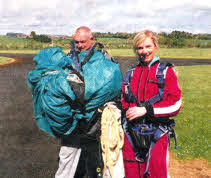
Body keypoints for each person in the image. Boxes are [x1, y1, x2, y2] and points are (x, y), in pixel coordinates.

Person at [27, 26, 123, 178]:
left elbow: (110, 85)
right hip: (74, 122)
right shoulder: (70, 58)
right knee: (66, 159)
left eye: (83, 42)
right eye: (76, 42)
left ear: (92, 40)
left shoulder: (104, 60)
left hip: (95, 121)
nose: (79, 45)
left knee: (96, 159)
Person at [121, 30, 182, 178]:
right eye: (140, 48)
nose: (144, 51)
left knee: (156, 173)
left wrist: (146, 110)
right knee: (131, 173)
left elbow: (175, 104)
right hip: (131, 134)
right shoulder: (131, 73)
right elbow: (124, 100)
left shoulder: (166, 72)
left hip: (157, 133)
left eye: (148, 46)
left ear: (155, 46)